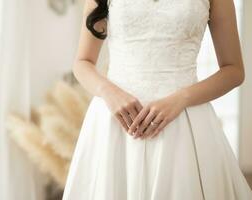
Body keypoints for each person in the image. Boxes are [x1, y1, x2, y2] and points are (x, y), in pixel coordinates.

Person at [62, 0, 252, 199]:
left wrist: (181, 98)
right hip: (116, 121)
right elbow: (82, 62)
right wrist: (109, 92)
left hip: (184, 123)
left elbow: (234, 71)